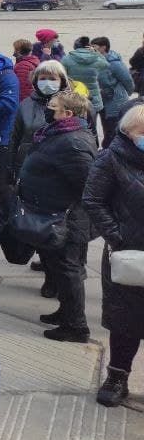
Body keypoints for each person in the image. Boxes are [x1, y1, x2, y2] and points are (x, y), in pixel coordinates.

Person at [18, 88, 97, 341]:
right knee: (59, 267)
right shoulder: (59, 133)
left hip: (66, 218)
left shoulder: (74, 142)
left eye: (52, 107)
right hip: (51, 212)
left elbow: (86, 186)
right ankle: (66, 312)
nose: (47, 110)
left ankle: (76, 326)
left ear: (68, 113)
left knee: (68, 269)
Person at [84, 104, 144, 407]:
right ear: (129, 131)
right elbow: (93, 200)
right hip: (128, 254)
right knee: (125, 319)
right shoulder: (112, 158)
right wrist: (117, 237)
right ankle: (117, 376)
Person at [91, 36, 135, 147]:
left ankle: (110, 150)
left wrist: (126, 94)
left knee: (112, 129)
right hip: (100, 100)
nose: (91, 49)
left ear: (103, 47)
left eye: (94, 47)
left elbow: (127, 80)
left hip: (114, 101)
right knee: (103, 126)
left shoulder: (114, 63)